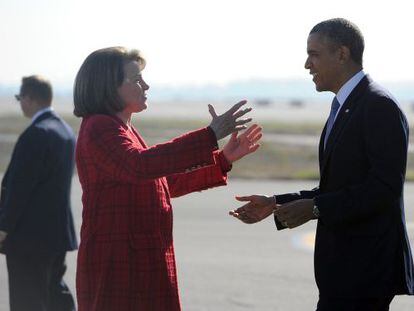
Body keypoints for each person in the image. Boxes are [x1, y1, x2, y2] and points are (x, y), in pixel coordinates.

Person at [230, 18, 414, 310]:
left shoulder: (378, 105)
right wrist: (277, 202)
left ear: (342, 54)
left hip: (365, 272)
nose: (307, 65)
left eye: (314, 54)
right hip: (344, 271)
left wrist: (316, 208)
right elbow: (339, 186)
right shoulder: (346, 105)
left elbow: (384, 188)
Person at [73, 46, 262, 311]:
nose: (145, 85)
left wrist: (222, 159)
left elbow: (161, 182)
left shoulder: (123, 129)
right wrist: (208, 136)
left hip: (140, 262)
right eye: (136, 79)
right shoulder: (99, 127)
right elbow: (139, 166)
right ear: (108, 86)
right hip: (119, 266)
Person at [0, 75, 78, 311]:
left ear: (29, 98)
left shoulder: (36, 133)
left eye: (19, 97)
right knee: (55, 295)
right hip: (57, 234)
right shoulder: (65, 131)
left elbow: (19, 189)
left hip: (28, 238)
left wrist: (3, 228)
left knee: (28, 300)